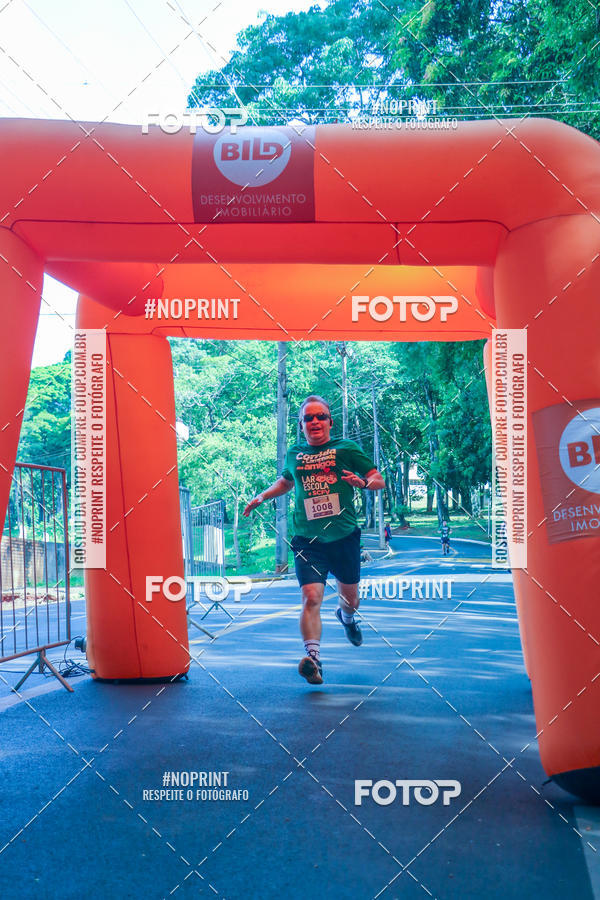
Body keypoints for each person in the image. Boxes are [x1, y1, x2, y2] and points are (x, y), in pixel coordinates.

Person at [243, 395, 384, 685]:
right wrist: (261, 496)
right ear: (302, 425)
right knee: (310, 598)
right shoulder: (294, 453)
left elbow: (378, 479)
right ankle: (314, 660)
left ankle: (346, 618)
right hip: (307, 539)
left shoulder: (346, 448)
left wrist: (363, 483)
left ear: (330, 422)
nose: (315, 422)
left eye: (320, 416)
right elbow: (286, 481)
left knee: (351, 600)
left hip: (343, 537)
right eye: (309, 418)